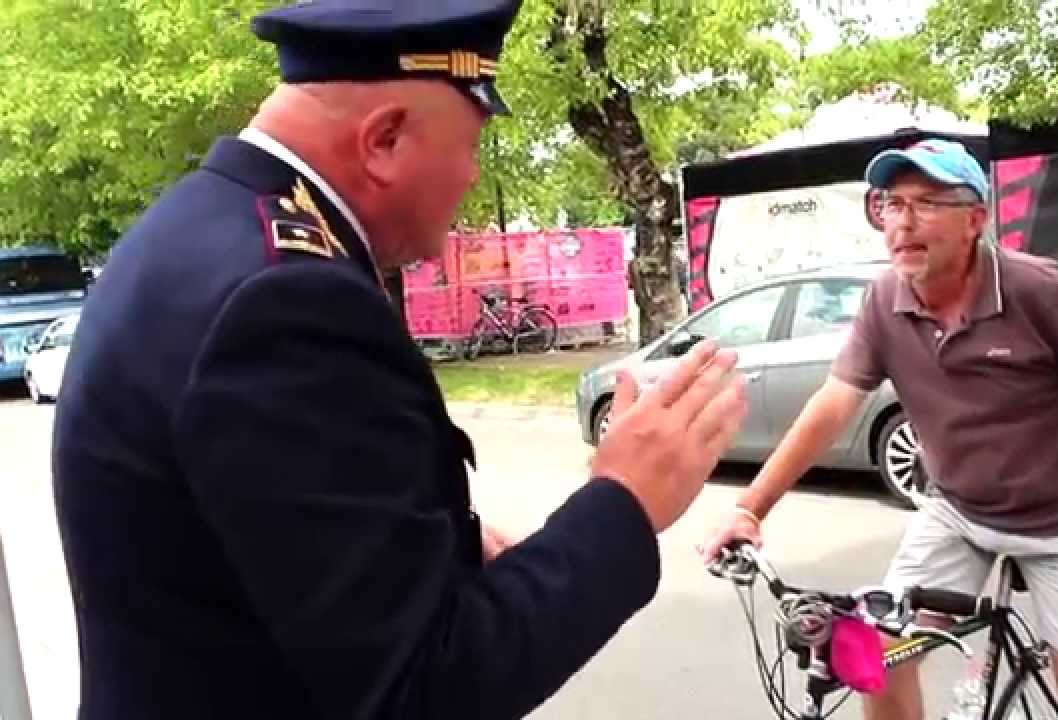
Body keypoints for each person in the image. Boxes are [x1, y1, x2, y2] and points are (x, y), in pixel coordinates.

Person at [51, 1, 747, 718]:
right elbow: (423, 688)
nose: (473, 176)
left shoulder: (201, 231)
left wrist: (438, 553)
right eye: (473, 143)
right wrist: (623, 503)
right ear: (383, 139)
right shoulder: (285, 304)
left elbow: (263, 551)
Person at [700, 138, 1058, 720]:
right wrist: (751, 509)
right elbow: (833, 405)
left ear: (976, 219)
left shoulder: (1039, 290)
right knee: (877, 659)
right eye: (891, 203)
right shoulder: (883, 299)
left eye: (928, 203)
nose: (904, 222)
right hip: (958, 513)